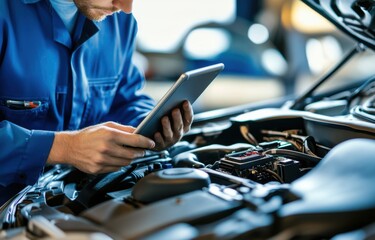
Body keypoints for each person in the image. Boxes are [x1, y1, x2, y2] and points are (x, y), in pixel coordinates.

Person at [0, 0, 194, 204]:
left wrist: (150, 125)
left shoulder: (120, 22)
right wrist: (63, 148)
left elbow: (123, 99)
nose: (126, 7)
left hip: (71, 201)